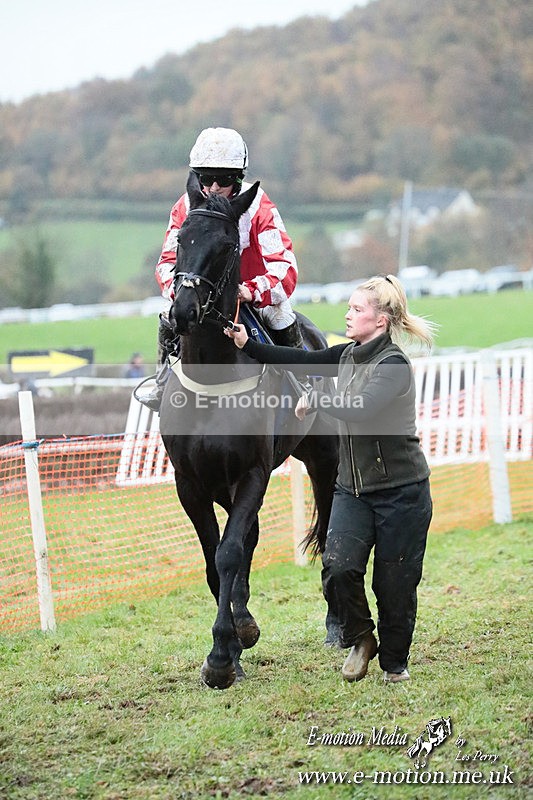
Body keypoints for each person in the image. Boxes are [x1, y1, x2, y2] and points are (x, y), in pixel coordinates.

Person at [225, 274, 437, 684]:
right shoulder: (346, 356)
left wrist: (316, 398)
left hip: (402, 493)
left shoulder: (392, 365)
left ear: (381, 320)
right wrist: (246, 344)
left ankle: (395, 665)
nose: (348, 314)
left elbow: (361, 407)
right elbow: (298, 360)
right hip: (353, 491)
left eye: (357, 309)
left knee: (394, 587)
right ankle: (361, 637)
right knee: (338, 567)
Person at [139, 126, 302, 410]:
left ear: (238, 178)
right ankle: (162, 381)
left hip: (250, 291)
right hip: (201, 292)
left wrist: (250, 291)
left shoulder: (260, 209)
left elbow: (286, 266)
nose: (213, 188)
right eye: (206, 178)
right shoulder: (185, 207)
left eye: (223, 179)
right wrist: (181, 289)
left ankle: (303, 384)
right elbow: (166, 262)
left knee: (280, 313)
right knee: (168, 314)